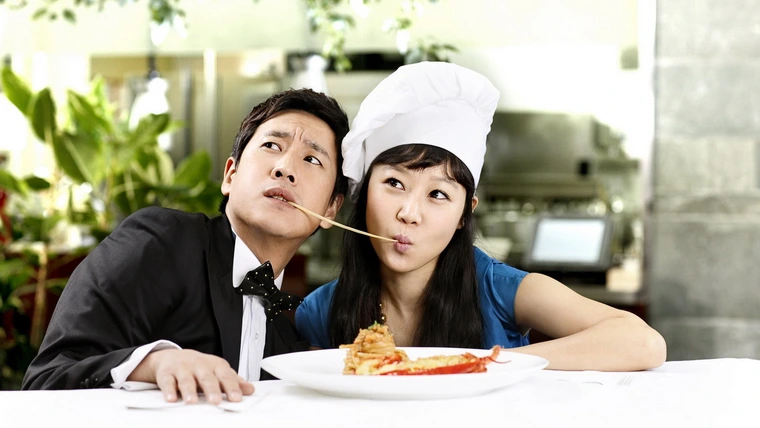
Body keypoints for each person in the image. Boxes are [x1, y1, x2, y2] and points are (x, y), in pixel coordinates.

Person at [296, 62, 666, 371]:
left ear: (464, 213)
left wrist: (487, 364)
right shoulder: (321, 310)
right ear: (364, 193)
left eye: (438, 194)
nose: (409, 213)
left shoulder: (499, 289)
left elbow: (643, 343)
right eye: (394, 183)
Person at [22, 88, 349, 403]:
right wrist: (153, 363)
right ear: (230, 175)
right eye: (271, 145)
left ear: (331, 210)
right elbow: (45, 382)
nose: (285, 168)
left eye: (312, 159)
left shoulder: (287, 341)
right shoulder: (161, 243)